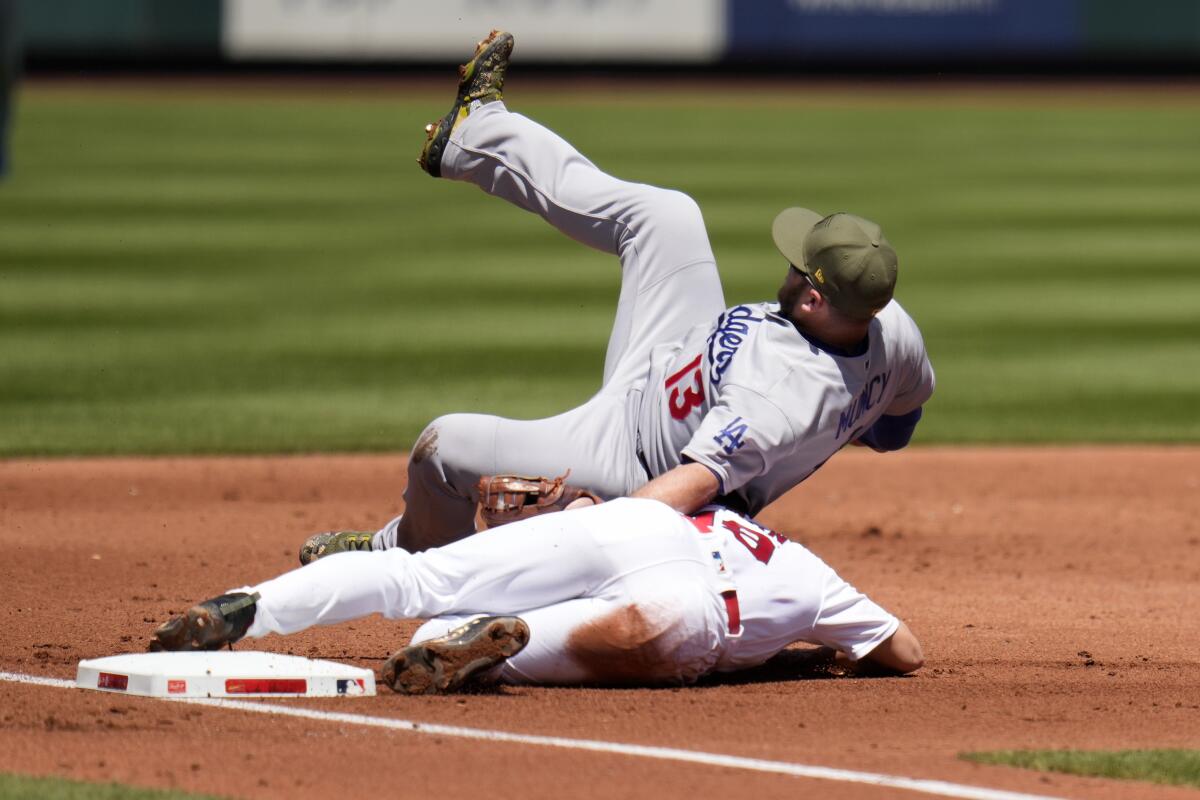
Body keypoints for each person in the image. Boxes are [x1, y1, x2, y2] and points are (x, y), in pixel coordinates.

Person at [301, 30, 934, 561]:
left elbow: (691, 488)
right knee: (666, 216)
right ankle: (474, 131)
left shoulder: (774, 400)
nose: (788, 266)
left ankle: (403, 555)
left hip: (626, 457)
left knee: (446, 446)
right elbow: (896, 423)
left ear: (817, 302)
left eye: (799, 267)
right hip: (670, 359)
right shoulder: (890, 328)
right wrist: (847, 422)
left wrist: (586, 519)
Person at [151, 498, 923, 694]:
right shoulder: (816, 578)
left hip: (638, 525)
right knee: (491, 649)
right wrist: (806, 651)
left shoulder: (728, 518)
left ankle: (251, 604)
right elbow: (904, 652)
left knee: (423, 574)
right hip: (685, 618)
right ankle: (483, 643)